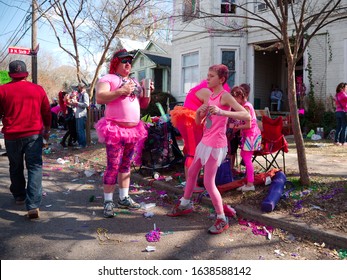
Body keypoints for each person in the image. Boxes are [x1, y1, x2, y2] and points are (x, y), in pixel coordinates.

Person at [168, 64, 250, 234]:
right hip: (205, 143)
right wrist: (199, 112)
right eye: (207, 75)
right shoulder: (210, 96)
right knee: (191, 173)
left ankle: (221, 218)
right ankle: (185, 204)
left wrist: (223, 112)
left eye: (211, 76)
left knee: (207, 182)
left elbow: (246, 115)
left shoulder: (225, 96)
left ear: (221, 79)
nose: (207, 78)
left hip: (215, 145)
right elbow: (199, 123)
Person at [95, 49, 153, 218]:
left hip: (134, 130)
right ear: (115, 63)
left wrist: (146, 91)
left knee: (126, 165)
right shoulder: (108, 79)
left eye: (130, 61)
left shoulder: (134, 81)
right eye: (124, 61)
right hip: (115, 129)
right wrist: (121, 91)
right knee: (113, 165)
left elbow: (144, 104)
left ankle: (124, 197)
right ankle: (108, 201)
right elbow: (100, 97)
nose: (128, 64)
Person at [0, 60, 51, 219]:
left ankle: (19, 196)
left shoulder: (2, 90)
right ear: (26, 74)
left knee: (15, 165)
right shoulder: (38, 89)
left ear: (10, 74)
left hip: (12, 135)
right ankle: (33, 205)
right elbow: (47, 111)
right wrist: (47, 129)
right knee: (35, 167)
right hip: (33, 135)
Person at [170, 80, 230, 191]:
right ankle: (192, 185)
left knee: (190, 152)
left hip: (187, 119)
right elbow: (210, 112)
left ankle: (189, 183)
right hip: (192, 121)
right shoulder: (208, 93)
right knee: (193, 153)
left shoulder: (201, 90)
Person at [230, 85, 262, 192]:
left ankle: (250, 184)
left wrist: (235, 126)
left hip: (251, 135)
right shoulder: (245, 106)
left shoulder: (246, 107)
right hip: (249, 135)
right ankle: (249, 181)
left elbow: (248, 125)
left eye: (234, 98)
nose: (234, 101)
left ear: (240, 96)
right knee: (245, 156)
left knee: (247, 159)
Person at [72, 83, 89, 148]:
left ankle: (83, 144)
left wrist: (77, 103)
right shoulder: (79, 95)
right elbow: (76, 104)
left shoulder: (85, 94)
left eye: (78, 87)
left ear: (81, 87)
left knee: (80, 130)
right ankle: (80, 143)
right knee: (78, 130)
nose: (77, 88)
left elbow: (86, 104)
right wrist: (73, 103)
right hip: (77, 114)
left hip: (81, 115)